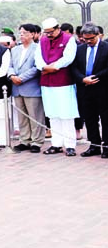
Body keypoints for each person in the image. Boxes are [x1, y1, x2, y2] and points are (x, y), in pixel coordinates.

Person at [35, 18, 79, 156]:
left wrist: (54, 67)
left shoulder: (68, 39)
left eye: (51, 32)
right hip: (46, 81)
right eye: (46, 32)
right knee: (52, 114)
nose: (48, 35)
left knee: (66, 114)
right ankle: (56, 144)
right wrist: (44, 67)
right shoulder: (42, 40)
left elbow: (68, 58)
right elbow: (37, 57)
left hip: (63, 81)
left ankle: (70, 145)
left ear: (58, 28)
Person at [70, 23, 108, 158]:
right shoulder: (79, 49)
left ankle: (107, 146)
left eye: (91, 39)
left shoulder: (106, 48)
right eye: (85, 39)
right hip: (85, 88)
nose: (88, 41)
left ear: (98, 35)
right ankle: (94, 145)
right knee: (90, 118)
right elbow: (74, 68)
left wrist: (95, 77)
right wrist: (82, 79)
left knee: (105, 118)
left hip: (102, 88)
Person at [8, 24, 45, 153]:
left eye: (24, 33)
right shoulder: (15, 50)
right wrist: (12, 75)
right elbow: (10, 65)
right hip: (16, 87)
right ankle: (25, 140)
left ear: (32, 34)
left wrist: (21, 78)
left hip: (31, 86)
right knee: (22, 116)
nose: (21, 35)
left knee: (35, 116)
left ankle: (37, 141)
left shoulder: (38, 48)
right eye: (20, 33)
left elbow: (36, 68)